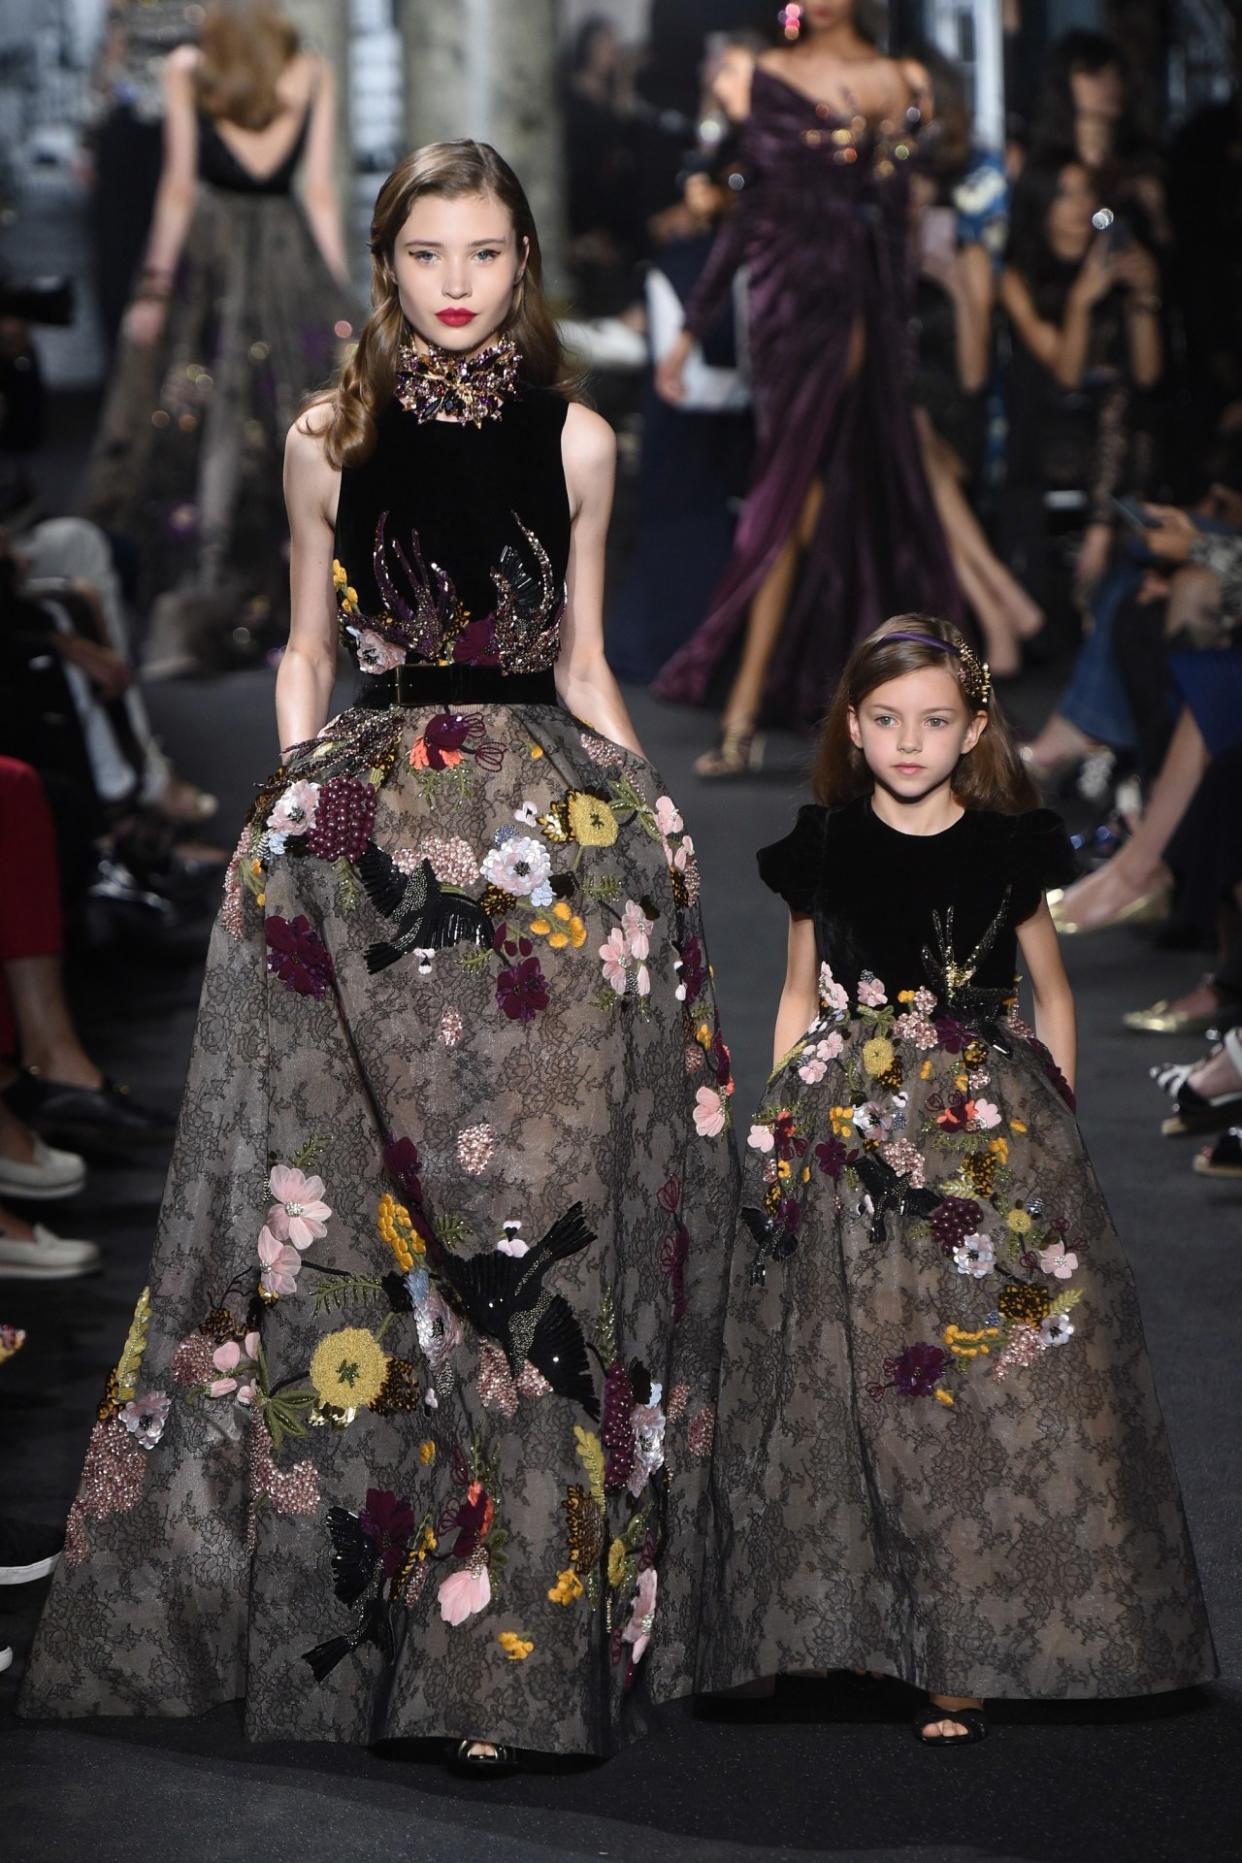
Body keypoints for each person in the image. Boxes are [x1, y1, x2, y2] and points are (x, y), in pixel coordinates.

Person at [20, 139, 737, 1769]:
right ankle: (383, 1590)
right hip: (372, 859)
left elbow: (595, 659)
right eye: (428, 252)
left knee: (531, 1243)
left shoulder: (580, 440)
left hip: (550, 858)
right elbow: (295, 646)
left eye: (486, 250)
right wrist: (284, 810)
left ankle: (511, 1667)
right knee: (373, 1231)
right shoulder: (326, 441)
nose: (459, 282)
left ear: (524, 262)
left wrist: (662, 821)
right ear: (387, 266)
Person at [701, 615, 1215, 1742]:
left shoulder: (1007, 845)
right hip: (847, 1127)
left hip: (985, 1130)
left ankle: (970, 1640)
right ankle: (857, 1629)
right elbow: (800, 989)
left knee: (984, 1380)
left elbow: (1052, 996)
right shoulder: (823, 843)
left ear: (975, 727)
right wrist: (781, 1113)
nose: (908, 742)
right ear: (853, 725)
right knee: (857, 1371)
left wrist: (1059, 1127)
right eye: (885, 721)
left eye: (935, 722)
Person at [652, 0, 962, 773]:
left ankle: (754, 715)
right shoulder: (756, 79)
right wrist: (691, 328)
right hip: (788, 314)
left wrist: (894, 334)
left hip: (863, 315)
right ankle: (775, 710)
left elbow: (899, 220)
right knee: (793, 502)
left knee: (847, 501)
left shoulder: (903, 81)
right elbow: (745, 218)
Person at [85, 0, 356, 676]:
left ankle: (202, 600)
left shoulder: (191, 67)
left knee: (201, 426)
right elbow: (318, 191)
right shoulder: (310, 70)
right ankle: (291, 609)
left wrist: (152, 287)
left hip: (209, 259)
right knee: (289, 427)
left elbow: (179, 188)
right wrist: (341, 299)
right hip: (288, 256)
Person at [999, 154, 1162, 646]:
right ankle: (1101, 531)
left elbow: (1149, 373)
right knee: (1116, 403)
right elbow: (1066, 374)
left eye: (1087, 193)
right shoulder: (1018, 275)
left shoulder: (1118, 261)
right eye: (1065, 194)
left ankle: (1099, 532)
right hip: (1049, 429)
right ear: (1042, 203)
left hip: (1115, 434)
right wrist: (1081, 300)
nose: (1080, 205)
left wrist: (1146, 296)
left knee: (1123, 400)